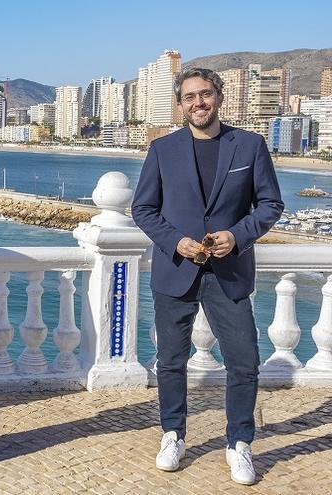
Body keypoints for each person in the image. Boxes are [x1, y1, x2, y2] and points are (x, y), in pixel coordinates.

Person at [131, 68, 283, 485]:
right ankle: (173, 434)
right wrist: (175, 241)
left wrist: (237, 236)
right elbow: (143, 209)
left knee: (244, 362)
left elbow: (270, 205)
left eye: (205, 94)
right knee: (171, 362)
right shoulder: (162, 149)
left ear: (219, 96)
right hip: (176, 269)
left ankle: (239, 444)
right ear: (180, 104)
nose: (198, 103)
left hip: (229, 272)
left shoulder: (250, 146)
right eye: (189, 97)